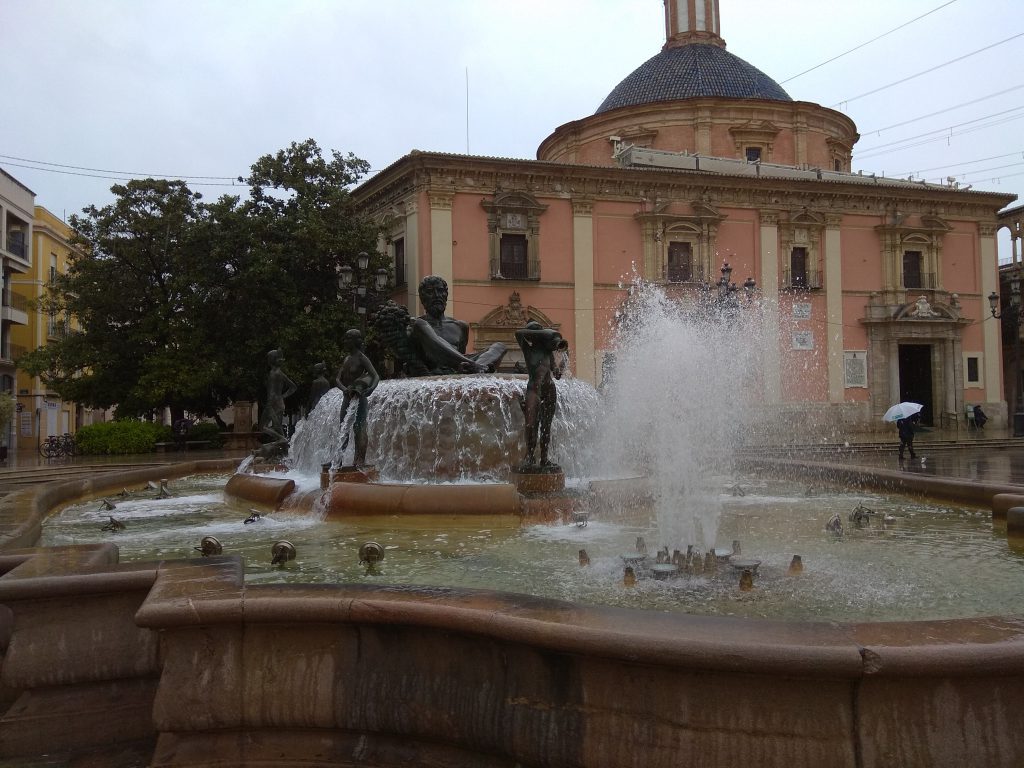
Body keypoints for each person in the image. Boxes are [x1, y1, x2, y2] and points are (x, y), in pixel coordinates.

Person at [406, 275, 506, 374]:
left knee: (500, 346)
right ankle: (475, 367)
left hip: (461, 366)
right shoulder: (416, 325)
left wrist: (469, 365)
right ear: (423, 298)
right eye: (430, 292)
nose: (437, 295)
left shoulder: (460, 326)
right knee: (419, 324)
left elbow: (461, 354)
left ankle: (475, 368)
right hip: (436, 368)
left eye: (440, 291)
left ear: (446, 295)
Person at [515, 321, 568, 468]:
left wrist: (557, 371)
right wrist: (547, 333)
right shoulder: (527, 348)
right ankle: (530, 457)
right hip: (534, 389)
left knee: (546, 426)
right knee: (531, 424)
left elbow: (553, 370)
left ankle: (544, 459)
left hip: (549, 389)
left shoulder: (547, 351)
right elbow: (519, 333)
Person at [336, 329, 380, 467]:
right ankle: (338, 459)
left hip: (359, 398)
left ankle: (360, 459)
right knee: (343, 428)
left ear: (355, 341)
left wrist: (370, 390)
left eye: (348, 338)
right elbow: (337, 379)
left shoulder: (362, 358)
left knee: (359, 428)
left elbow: (375, 376)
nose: (345, 341)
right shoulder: (346, 359)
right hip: (347, 398)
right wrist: (344, 390)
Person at [259, 349, 297, 444]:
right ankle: (280, 446)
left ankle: (282, 439)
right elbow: (293, 387)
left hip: (272, 403)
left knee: (262, 426)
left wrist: (269, 404)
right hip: (279, 403)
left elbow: (271, 392)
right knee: (277, 427)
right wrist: (282, 396)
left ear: (271, 360)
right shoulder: (280, 373)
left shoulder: (273, 373)